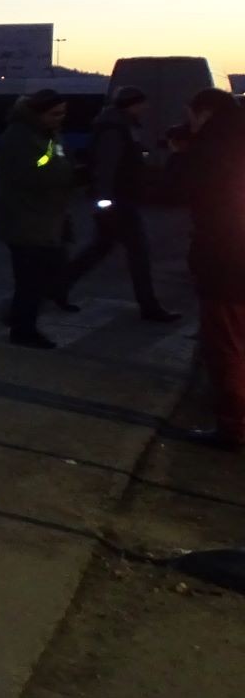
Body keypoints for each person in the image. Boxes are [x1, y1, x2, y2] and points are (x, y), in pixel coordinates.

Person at [62, 87, 178, 321]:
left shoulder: (119, 124)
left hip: (118, 199)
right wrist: (105, 199)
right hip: (119, 200)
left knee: (99, 248)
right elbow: (107, 166)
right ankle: (149, 306)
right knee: (138, 252)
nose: (145, 108)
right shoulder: (115, 128)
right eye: (142, 103)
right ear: (132, 104)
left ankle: (56, 287)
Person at [172, 89, 245, 450]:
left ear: (204, 113)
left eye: (190, 114)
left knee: (226, 347)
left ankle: (234, 427)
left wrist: (179, 156)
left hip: (227, 264)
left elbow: (179, 191)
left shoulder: (212, 149)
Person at [0, 89, 76, 349]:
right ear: (38, 113)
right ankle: (23, 329)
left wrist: (63, 171)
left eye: (62, 113)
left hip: (44, 217)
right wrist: (66, 175)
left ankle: (19, 318)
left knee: (46, 274)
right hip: (25, 218)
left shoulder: (46, 135)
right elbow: (31, 172)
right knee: (31, 280)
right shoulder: (20, 137)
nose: (60, 118)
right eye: (54, 114)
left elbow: (48, 161)